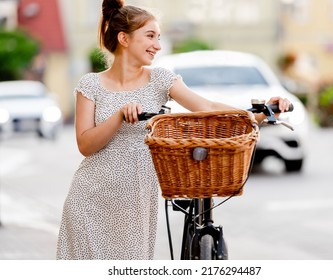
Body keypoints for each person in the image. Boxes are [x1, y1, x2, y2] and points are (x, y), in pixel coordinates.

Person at [56, 0, 291, 260]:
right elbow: (85, 145)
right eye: (150, 36)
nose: (157, 45)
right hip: (89, 199)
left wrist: (259, 114)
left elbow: (207, 106)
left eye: (158, 37)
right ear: (124, 38)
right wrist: (119, 115)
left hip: (136, 203)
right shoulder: (90, 85)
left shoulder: (159, 79)